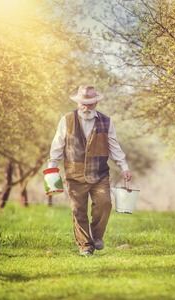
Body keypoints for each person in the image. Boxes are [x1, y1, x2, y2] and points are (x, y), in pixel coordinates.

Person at [47, 85, 132, 256]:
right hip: (74, 174)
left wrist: (124, 167)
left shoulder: (106, 121)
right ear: (78, 102)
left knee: (105, 203)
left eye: (90, 104)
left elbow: (114, 146)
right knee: (78, 210)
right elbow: (58, 144)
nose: (86, 107)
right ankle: (85, 246)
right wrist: (52, 166)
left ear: (96, 103)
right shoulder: (67, 120)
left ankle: (97, 235)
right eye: (82, 103)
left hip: (99, 173)